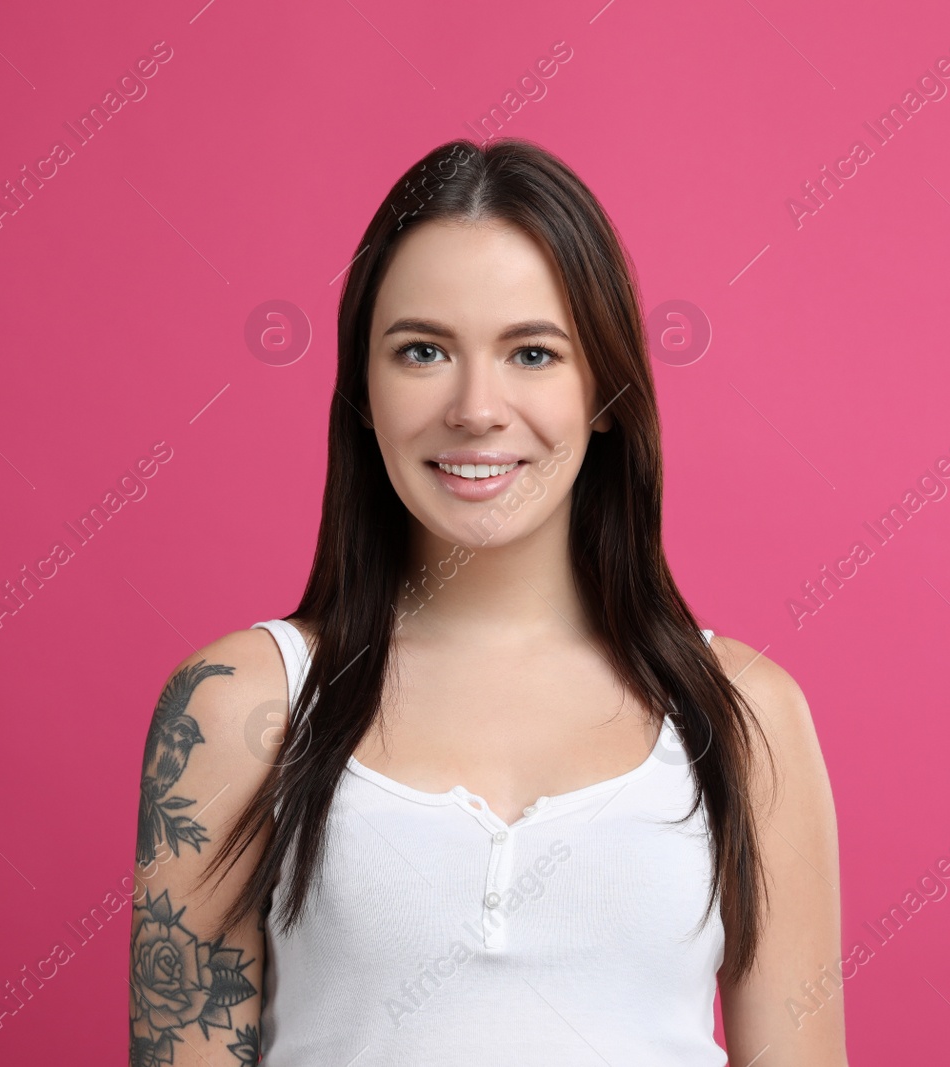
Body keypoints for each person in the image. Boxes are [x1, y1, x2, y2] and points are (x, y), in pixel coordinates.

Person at [129, 137, 846, 1066]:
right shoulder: (235, 709)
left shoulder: (747, 716)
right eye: (422, 350)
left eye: (533, 353)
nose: (476, 407)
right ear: (363, 391)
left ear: (604, 392)